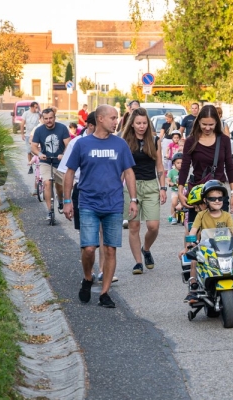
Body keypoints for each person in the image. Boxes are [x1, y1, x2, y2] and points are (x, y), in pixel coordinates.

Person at [62, 104, 138, 309]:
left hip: (113, 204)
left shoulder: (120, 144)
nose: (116, 121)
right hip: (88, 203)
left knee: (110, 249)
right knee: (88, 248)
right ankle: (88, 278)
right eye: (113, 118)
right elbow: (69, 173)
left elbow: (129, 173)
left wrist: (133, 199)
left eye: (116, 118)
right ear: (101, 119)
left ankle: (104, 293)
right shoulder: (82, 144)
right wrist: (67, 201)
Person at [58, 112, 118, 284]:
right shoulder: (77, 143)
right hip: (82, 192)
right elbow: (65, 172)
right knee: (88, 240)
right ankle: (88, 272)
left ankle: (102, 270)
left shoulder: (112, 142)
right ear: (92, 125)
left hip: (107, 195)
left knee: (104, 235)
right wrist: (66, 200)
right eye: (111, 119)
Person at [120, 108, 167, 275]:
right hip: (131, 186)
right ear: (132, 124)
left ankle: (146, 249)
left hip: (151, 185)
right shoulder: (124, 141)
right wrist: (118, 188)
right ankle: (138, 262)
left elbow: (159, 166)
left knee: (153, 226)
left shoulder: (155, 140)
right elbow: (121, 168)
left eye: (144, 123)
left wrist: (162, 187)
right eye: (138, 123)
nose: (141, 126)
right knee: (134, 226)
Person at [178, 104, 233, 228]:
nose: (207, 128)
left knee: (221, 233)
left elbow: (230, 168)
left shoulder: (224, 140)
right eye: (204, 124)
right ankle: (188, 247)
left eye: (211, 124)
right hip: (198, 194)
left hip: (219, 194)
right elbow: (184, 167)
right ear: (198, 122)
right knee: (194, 231)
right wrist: (180, 192)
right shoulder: (191, 141)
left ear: (217, 122)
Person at [185, 180, 233, 302]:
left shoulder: (226, 215)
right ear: (205, 200)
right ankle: (193, 287)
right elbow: (193, 231)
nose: (217, 201)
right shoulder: (201, 215)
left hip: (225, 246)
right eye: (212, 198)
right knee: (195, 260)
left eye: (219, 198)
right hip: (207, 247)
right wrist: (191, 241)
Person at [31, 107, 71, 223]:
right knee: (47, 183)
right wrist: (39, 154)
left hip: (60, 162)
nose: (48, 120)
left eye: (51, 118)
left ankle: (60, 200)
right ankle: (50, 211)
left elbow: (68, 144)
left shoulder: (62, 128)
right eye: (46, 118)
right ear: (42, 119)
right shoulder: (39, 130)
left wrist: (63, 154)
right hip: (46, 161)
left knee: (60, 186)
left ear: (54, 118)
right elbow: (33, 146)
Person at [20, 101, 41, 173]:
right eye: (35, 107)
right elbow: (22, 124)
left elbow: (42, 121)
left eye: (37, 107)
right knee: (29, 151)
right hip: (28, 135)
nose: (36, 108)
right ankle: (30, 166)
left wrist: (39, 113)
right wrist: (22, 134)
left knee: (36, 150)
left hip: (37, 135)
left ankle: (38, 165)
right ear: (32, 107)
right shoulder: (26, 113)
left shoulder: (38, 114)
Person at [167, 153, 183, 225]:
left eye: (181, 163)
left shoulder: (185, 171)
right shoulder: (172, 172)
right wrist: (170, 183)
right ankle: (173, 216)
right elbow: (167, 180)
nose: (180, 164)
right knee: (174, 202)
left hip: (183, 191)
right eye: (178, 163)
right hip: (175, 191)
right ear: (174, 163)